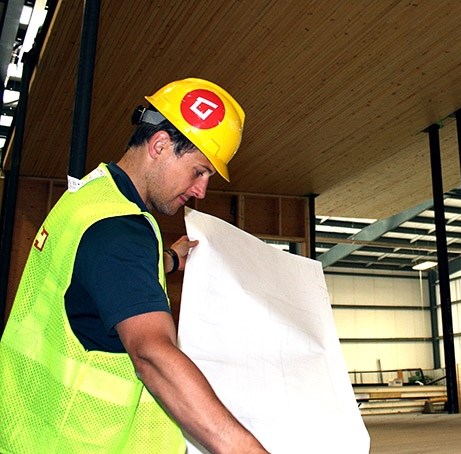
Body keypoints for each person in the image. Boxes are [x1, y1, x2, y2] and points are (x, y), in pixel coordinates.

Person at [0, 78, 268, 453]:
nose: (201, 191)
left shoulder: (91, 198)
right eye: (199, 171)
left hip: (28, 425)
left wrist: (170, 259)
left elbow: (101, 274)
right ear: (160, 145)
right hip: (80, 441)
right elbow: (152, 354)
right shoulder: (122, 232)